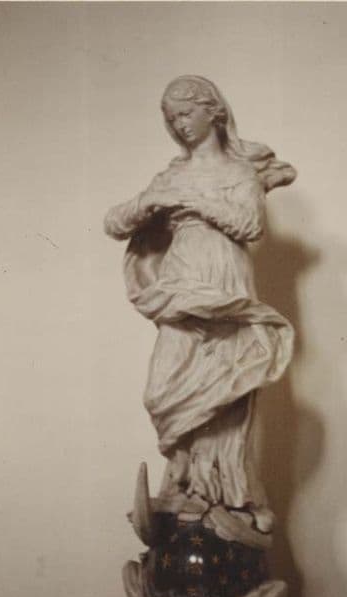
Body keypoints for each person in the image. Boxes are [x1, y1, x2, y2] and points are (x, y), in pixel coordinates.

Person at [104, 76, 296, 534]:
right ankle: (182, 481)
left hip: (224, 277)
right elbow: (114, 222)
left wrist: (192, 200)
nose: (179, 125)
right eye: (172, 118)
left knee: (224, 388)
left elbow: (249, 225)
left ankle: (226, 494)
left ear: (215, 112)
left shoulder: (239, 172)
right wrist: (153, 199)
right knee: (164, 388)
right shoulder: (171, 175)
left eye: (186, 113)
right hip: (181, 280)